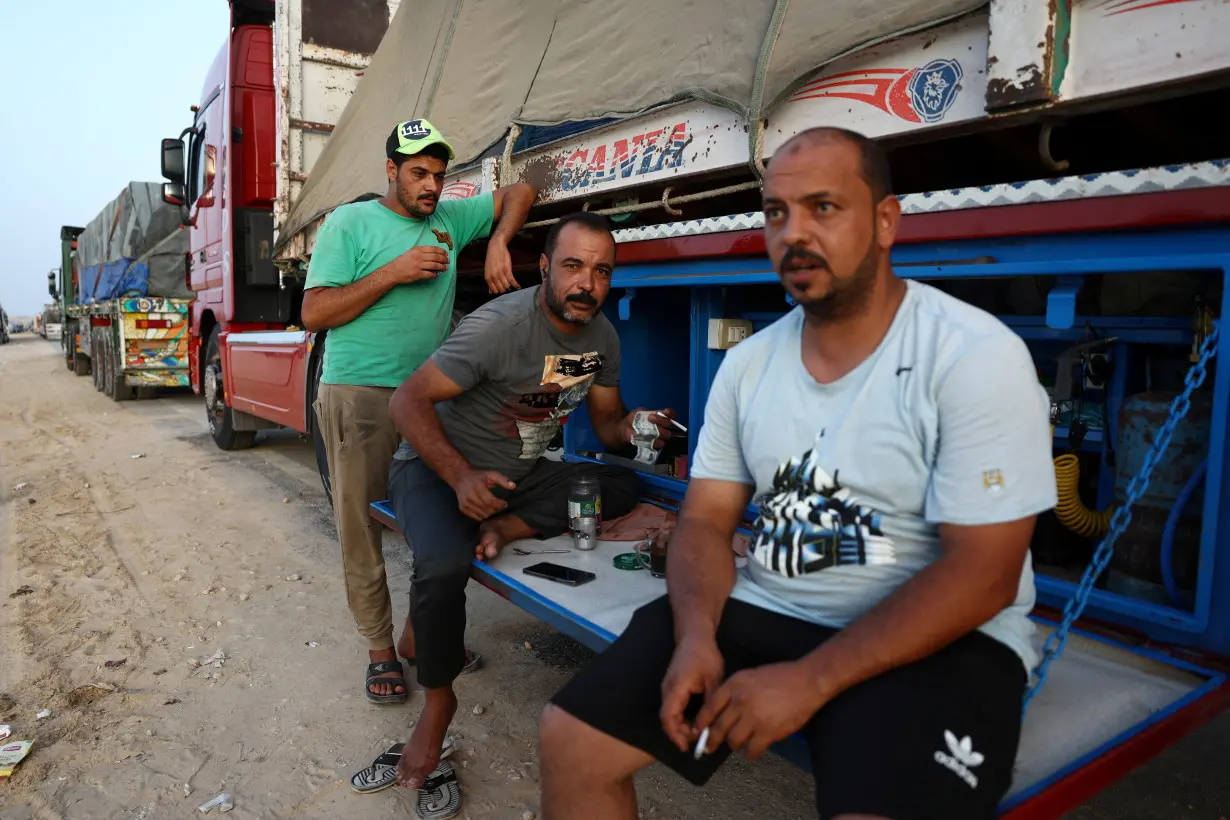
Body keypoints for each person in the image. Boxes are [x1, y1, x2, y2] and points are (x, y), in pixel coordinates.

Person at [537, 127, 1057, 820]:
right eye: (777, 212)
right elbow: (706, 522)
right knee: (571, 741)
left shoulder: (972, 356)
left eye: (824, 208)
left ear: (885, 221)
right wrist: (695, 635)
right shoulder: (750, 366)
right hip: (772, 605)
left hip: (941, 638)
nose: (794, 233)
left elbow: (985, 574)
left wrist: (808, 682)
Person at [386, 211, 678, 789]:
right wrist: (463, 478)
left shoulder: (602, 338)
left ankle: (506, 528)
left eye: (601, 271)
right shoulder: (500, 327)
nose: (586, 284)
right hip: (435, 467)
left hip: (519, 476)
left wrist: (641, 425)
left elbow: (608, 427)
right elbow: (406, 403)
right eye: (572, 266)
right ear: (544, 267)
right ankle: (438, 703)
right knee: (443, 564)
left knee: (620, 484)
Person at [302, 118, 537, 704]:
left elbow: (520, 191)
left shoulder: (449, 220)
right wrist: (395, 272)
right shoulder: (350, 222)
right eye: (418, 174)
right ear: (391, 172)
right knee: (361, 525)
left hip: (428, 402)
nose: (431, 186)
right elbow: (314, 313)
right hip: (358, 395)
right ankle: (380, 648)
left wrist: (501, 240)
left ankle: (417, 637)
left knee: (431, 522)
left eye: (438, 175)